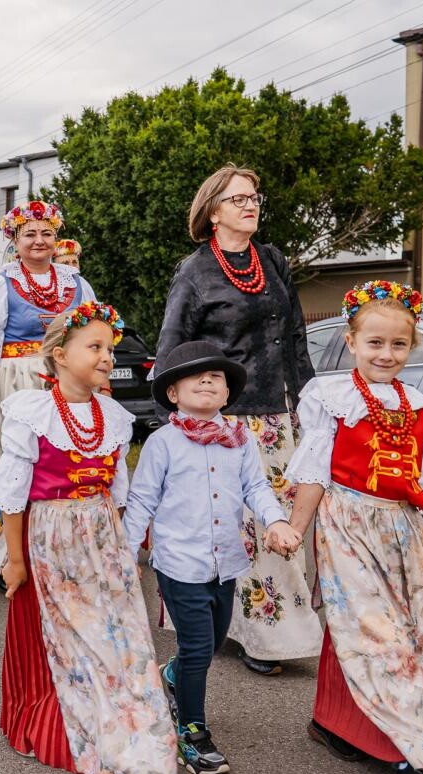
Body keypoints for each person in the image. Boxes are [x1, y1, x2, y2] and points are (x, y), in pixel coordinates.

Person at [285, 281, 423, 774]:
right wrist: (295, 530)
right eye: (374, 343)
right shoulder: (330, 396)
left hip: (405, 532)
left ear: (410, 347)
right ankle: (414, 754)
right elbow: (315, 472)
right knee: (377, 633)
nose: (386, 354)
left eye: (398, 344)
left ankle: (335, 721)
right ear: (351, 341)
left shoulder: (418, 405)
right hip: (348, 523)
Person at [0, 304, 177, 774]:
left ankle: (138, 737)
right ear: (59, 355)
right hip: (53, 536)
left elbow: (117, 492)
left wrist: (124, 551)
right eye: (95, 347)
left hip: (102, 538)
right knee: (82, 638)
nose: (108, 357)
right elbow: (12, 495)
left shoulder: (112, 416)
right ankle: (102, 742)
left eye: (110, 349)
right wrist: (15, 561)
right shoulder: (32, 411)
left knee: (123, 636)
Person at [155, 163, 321, 677]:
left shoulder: (270, 260)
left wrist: (309, 401)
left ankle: (276, 627)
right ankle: (253, 633)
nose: (251, 205)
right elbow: (171, 347)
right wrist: (175, 423)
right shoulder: (195, 271)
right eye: (238, 199)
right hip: (223, 418)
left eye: (254, 197)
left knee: (280, 519)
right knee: (236, 527)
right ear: (212, 212)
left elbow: (294, 335)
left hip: (278, 413)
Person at [124, 340, 301, 774]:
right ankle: (192, 730)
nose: (207, 379)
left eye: (217, 376)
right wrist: (125, 555)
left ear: (227, 394)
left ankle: (173, 678)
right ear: (172, 393)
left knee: (215, 640)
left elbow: (257, 488)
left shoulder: (240, 441)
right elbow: (142, 500)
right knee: (199, 648)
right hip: (180, 564)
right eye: (195, 374)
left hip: (227, 562)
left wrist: (276, 521)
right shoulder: (162, 443)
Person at [0, 201, 96, 573]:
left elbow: (94, 338)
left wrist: (100, 390)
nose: (39, 241)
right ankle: (9, 556)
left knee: (65, 465)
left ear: (57, 238)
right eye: (29, 234)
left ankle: (57, 549)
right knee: (18, 467)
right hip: (17, 383)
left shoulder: (77, 284)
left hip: (66, 383)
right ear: (15, 240)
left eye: (46, 233)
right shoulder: (1, 284)